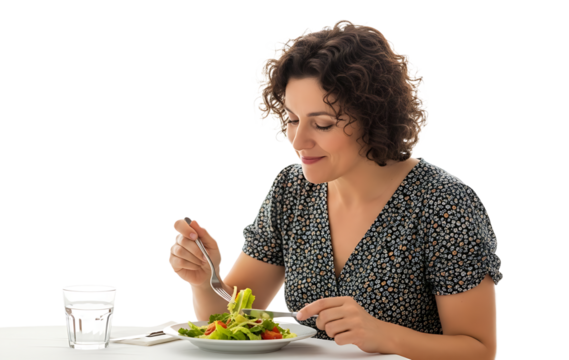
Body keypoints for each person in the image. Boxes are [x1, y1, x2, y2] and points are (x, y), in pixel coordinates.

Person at [169, 19, 501, 359]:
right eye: (293, 119)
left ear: (373, 118)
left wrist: (385, 336)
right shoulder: (292, 188)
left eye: (322, 124)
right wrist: (204, 279)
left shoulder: (445, 204)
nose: (298, 141)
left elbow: (479, 349)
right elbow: (228, 322)